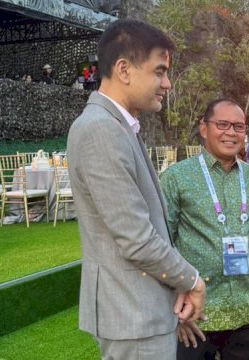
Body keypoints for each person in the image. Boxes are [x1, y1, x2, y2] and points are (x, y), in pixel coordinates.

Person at [66, 19, 205, 360]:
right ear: (124, 70)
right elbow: (136, 237)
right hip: (132, 313)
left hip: (142, 309)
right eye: (159, 71)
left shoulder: (119, 126)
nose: (167, 83)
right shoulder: (101, 130)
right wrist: (191, 281)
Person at [160, 99, 249, 360]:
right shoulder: (177, 178)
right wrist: (173, 305)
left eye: (238, 126)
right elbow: (160, 245)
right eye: (222, 124)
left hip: (248, 312)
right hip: (196, 316)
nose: (231, 132)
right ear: (204, 128)